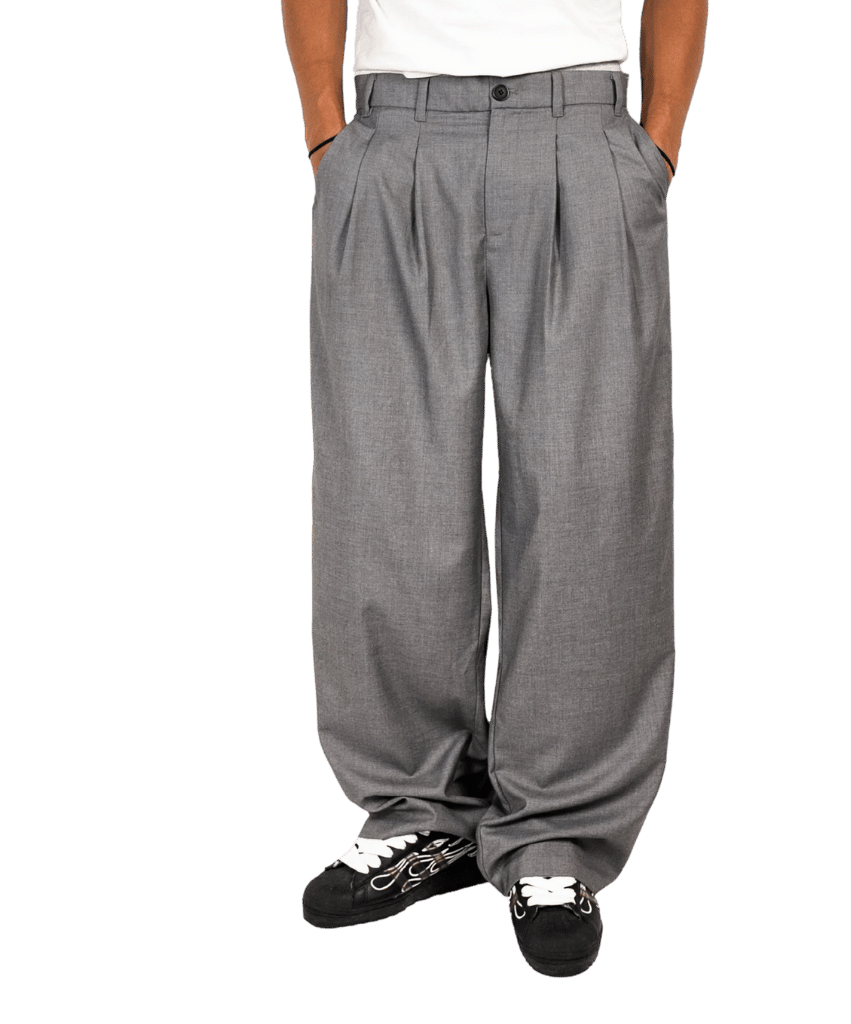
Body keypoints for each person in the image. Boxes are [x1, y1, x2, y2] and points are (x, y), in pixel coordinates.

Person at [281, 0, 707, 977]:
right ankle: (416, 808)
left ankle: (557, 834)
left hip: (583, 133)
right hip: (393, 136)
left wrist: (658, 146)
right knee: (383, 493)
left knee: (592, 492)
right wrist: (324, 136)